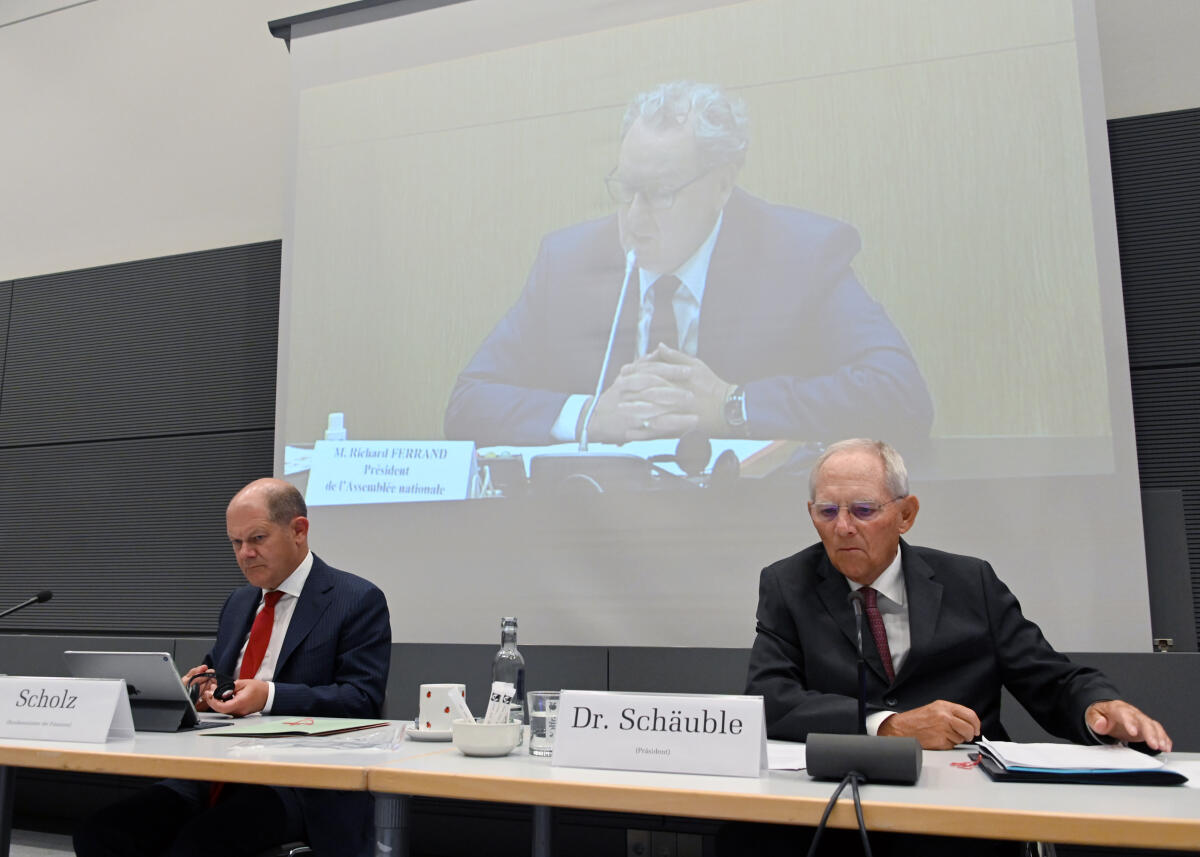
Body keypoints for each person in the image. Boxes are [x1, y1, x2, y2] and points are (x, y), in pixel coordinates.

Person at [732, 438, 1171, 856]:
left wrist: (1097, 708)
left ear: (906, 514)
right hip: (839, 805)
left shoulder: (970, 583)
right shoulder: (788, 584)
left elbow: (1051, 679)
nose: (843, 527)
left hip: (960, 812)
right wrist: (887, 727)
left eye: (863, 510)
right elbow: (771, 698)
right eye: (827, 511)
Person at [443, 81, 933, 449]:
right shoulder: (568, 263)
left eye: (659, 195)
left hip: (748, 534)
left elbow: (900, 395)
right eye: (626, 189)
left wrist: (731, 405)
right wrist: (589, 416)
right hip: (601, 537)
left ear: (722, 185)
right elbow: (468, 403)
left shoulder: (799, 254)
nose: (634, 219)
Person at [74, 478, 392, 857]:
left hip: (295, 784)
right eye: (236, 543)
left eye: (257, 539)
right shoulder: (239, 603)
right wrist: (200, 689)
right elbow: (221, 677)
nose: (245, 553)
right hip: (214, 770)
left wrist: (268, 695)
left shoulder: (355, 599)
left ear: (298, 530)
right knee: (103, 833)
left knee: (199, 845)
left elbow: (362, 700)